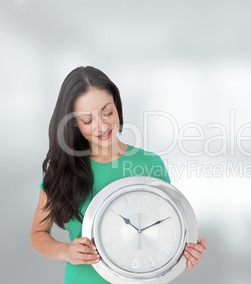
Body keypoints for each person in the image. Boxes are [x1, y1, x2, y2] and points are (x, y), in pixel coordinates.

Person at [30, 66, 207, 283]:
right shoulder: (62, 170)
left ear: (117, 104)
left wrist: (185, 250)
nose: (102, 125)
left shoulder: (150, 164)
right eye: (88, 120)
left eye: (108, 112)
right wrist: (65, 251)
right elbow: (38, 235)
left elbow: (165, 229)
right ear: (74, 123)